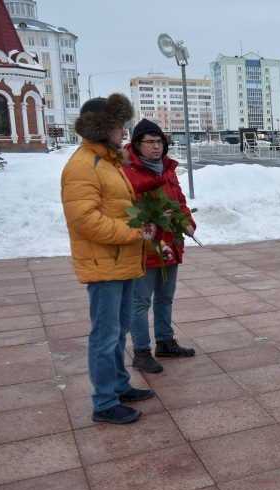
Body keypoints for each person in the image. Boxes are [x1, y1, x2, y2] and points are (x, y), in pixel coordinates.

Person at [61, 94, 157, 425]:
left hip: (120, 261)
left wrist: (141, 220)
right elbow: (85, 220)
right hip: (104, 265)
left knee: (118, 332)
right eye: (119, 126)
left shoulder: (107, 162)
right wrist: (133, 232)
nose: (123, 132)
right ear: (103, 128)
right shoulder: (83, 166)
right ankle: (104, 402)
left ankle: (118, 385)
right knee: (105, 335)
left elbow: (115, 207)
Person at [123, 119, 197, 374]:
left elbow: (179, 201)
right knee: (140, 301)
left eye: (160, 142)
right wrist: (152, 218)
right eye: (150, 142)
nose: (157, 147)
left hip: (169, 243)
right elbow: (124, 210)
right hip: (143, 246)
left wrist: (186, 222)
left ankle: (165, 342)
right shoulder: (127, 170)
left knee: (165, 297)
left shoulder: (167, 168)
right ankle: (141, 352)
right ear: (137, 144)